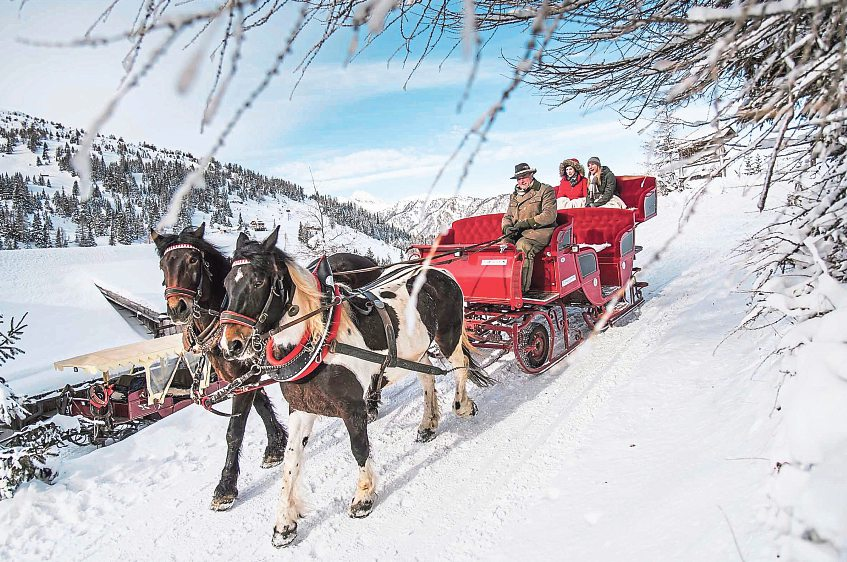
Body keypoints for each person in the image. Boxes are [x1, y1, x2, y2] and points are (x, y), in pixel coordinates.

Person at [501, 162, 557, 293]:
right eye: (519, 178)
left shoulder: (545, 190)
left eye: (524, 176)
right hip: (518, 231)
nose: (521, 180)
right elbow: (507, 216)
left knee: (523, 245)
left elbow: (549, 215)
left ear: (531, 175)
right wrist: (507, 228)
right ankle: (502, 288)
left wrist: (527, 223)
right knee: (503, 245)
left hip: (540, 231)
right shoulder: (514, 196)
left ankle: (520, 291)